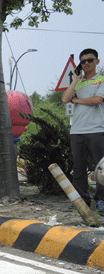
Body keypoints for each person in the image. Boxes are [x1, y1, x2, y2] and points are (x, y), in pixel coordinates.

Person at [62, 48, 104, 212]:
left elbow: (97, 100)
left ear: (97, 62)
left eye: (90, 60)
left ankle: (101, 200)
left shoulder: (101, 80)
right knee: (78, 169)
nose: (86, 63)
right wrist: (75, 79)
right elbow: (66, 99)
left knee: (100, 170)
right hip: (77, 131)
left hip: (97, 130)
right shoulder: (77, 83)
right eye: (83, 61)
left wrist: (77, 100)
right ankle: (81, 201)